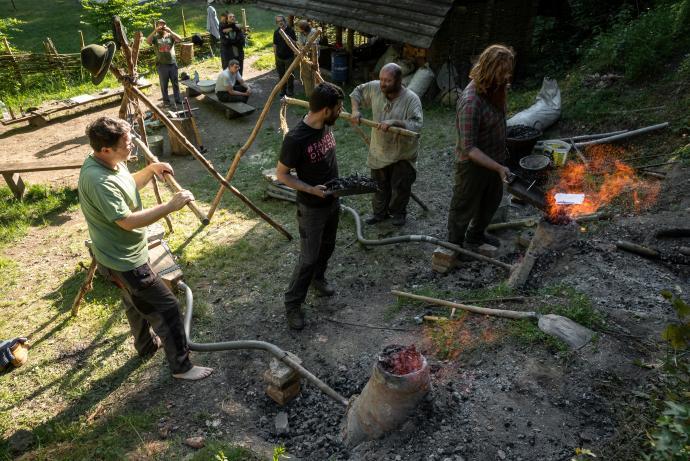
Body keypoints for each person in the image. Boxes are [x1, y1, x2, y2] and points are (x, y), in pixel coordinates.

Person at [78, 117, 213, 381]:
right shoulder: (98, 180)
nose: (132, 148)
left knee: (133, 302)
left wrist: (151, 169)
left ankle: (146, 345)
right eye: (127, 144)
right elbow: (126, 221)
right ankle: (182, 367)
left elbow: (127, 186)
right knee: (169, 308)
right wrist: (169, 207)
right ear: (105, 149)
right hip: (124, 260)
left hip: (113, 256)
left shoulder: (107, 162)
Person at [275, 83, 344, 330]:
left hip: (333, 199)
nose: (340, 112)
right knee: (308, 258)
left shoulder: (325, 125)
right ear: (326, 110)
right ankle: (292, 304)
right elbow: (282, 175)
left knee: (328, 247)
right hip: (312, 208)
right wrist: (312, 189)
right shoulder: (295, 139)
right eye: (338, 108)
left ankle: (319, 278)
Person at [446, 44, 514, 251]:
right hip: (472, 166)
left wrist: (500, 161)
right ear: (490, 70)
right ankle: (455, 246)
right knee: (463, 206)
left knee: (491, 201)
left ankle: (475, 236)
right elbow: (469, 148)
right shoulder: (470, 102)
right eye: (503, 72)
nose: (507, 76)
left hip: (494, 160)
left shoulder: (495, 90)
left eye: (508, 71)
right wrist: (498, 167)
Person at [350, 63, 423, 227]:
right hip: (380, 149)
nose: (383, 84)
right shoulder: (376, 88)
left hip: (402, 153)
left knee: (400, 187)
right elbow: (357, 92)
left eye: (388, 81)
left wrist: (395, 122)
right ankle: (379, 214)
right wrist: (355, 110)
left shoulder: (411, 100)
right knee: (379, 186)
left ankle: (398, 213)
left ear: (399, 81)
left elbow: (417, 125)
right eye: (381, 79)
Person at [146, 19, 182, 107]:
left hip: (172, 63)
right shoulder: (155, 37)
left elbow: (180, 39)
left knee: (175, 83)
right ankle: (166, 102)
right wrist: (154, 31)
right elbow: (148, 41)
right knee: (164, 85)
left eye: (163, 25)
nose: (161, 27)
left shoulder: (170, 35)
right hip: (162, 65)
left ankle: (177, 100)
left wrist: (170, 31)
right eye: (159, 25)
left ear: (166, 25)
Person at [273, 15, 297, 97]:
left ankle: (290, 91)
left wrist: (288, 38)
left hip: (289, 57)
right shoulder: (276, 32)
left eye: (281, 21)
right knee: (281, 75)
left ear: (284, 21)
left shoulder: (290, 30)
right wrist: (275, 56)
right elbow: (275, 45)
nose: (280, 23)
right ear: (277, 23)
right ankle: (283, 91)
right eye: (278, 21)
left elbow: (295, 43)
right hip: (279, 57)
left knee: (290, 75)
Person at [296, 19, 319, 98]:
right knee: (305, 75)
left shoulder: (313, 32)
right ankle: (309, 94)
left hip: (313, 57)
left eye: (300, 28)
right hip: (304, 56)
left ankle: (316, 93)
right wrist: (302, 46)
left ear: (303, 28)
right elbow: (299, 44)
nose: (299, 30)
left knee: (314, 74)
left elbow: (309, 45)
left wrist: (303, 47)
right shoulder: (301, 33)